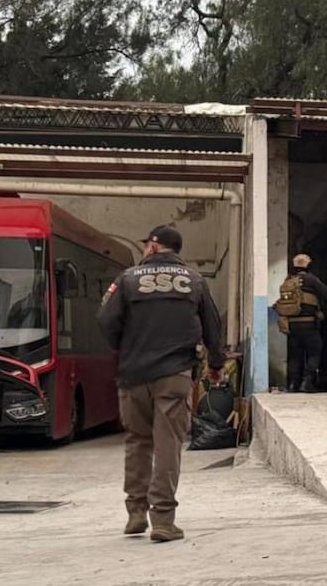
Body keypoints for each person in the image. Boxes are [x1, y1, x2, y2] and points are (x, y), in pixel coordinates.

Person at [97, 224, 225, 543]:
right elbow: (213, 326)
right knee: (168, 442)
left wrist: (124, 349)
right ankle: (164, 521)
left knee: (138, 440)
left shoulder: (126, 279)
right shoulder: (194, 281)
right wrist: (217, 366)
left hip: (133, 374)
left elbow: (105, 320)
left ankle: (136, 512)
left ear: (153, 247)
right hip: (175, 373)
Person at [274, 254, 327, 393]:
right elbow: (326, 294)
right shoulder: (311, 279)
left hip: (292, 325)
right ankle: (307, 381)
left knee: (294, 356)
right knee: (315, 352)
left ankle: (293, 384)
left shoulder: (288, 280)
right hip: (309, 324)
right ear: (307, 265)